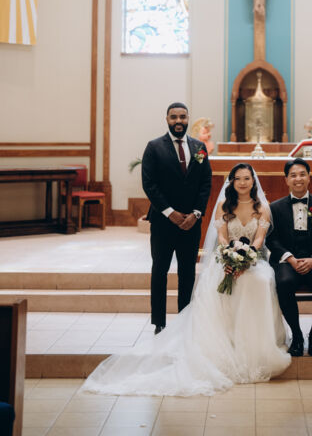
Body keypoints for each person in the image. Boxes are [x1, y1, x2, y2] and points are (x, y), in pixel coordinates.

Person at [82, 163, 290, 396]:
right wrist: (230, 256)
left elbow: (259, 239)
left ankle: (254, 345)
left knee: (259, 281)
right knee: (220, 283)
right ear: (231, 182)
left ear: (253, 181)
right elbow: (222, 237)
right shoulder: (223, 205)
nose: (242, 183)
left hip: (252, 261)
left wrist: (245, 258)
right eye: (238, 179)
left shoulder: (263, 207)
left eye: (247, 178)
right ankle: (225, 342)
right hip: (225, 259)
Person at [141, 102, 212, 334]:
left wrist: (196, 213)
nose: (178, 121)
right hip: (163, 221)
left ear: (188, 119)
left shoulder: (199, 147)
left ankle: (184, 321)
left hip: (191, 222)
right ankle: (159, 323)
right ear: (167, 119)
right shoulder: (154, 147)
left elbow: (205, 183)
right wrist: (169, 212)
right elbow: (149, 184)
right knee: (159, 270)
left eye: (182, 117)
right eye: (174, 117)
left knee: (187, 272)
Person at [266, 158, 312, 357]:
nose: (298, 179)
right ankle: (296, 335)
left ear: (309, 178)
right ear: (286, 180)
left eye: (302, 174)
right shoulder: (274, 208)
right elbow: (272, 240)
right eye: (293, 175)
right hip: (287, 260)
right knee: (284, 282)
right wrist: (290, 259)